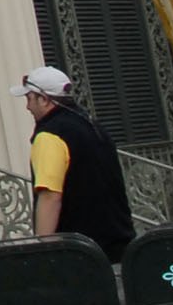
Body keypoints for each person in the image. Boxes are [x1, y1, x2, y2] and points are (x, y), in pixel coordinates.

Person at [19, 66, 133, 260]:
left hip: (79, 253)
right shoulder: (91, 126)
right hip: (118, 246)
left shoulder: (50, 135)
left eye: (29, 98)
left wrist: (43, 253)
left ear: (44, 99)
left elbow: (49, 197)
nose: (27, 107)